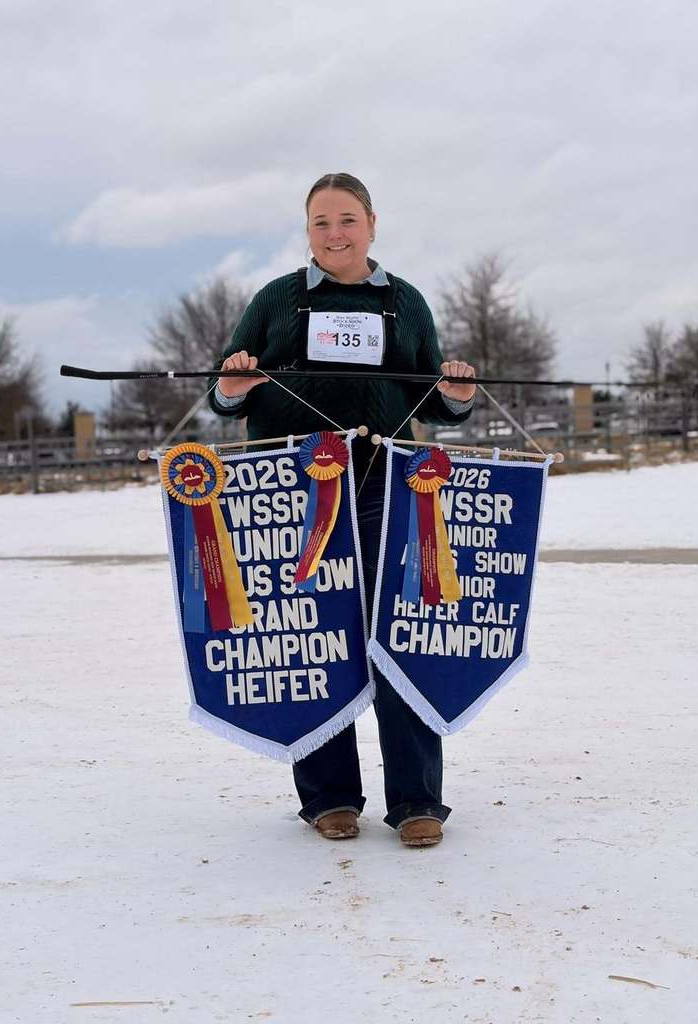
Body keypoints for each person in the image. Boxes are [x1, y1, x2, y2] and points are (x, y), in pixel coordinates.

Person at [210, 173, 475, 847]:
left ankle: (417, 799)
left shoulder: (406, 302)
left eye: (347, 220)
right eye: (322, 222)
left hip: (389, 489)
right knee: (315, 639)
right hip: (295, 496)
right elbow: (226, 394)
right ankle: (328, 797)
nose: (335, 233)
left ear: (372, 224)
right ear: (308, 232)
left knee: (398, 643)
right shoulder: (277, 299)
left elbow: (432, 399)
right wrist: (234, 385)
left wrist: (458, 394)